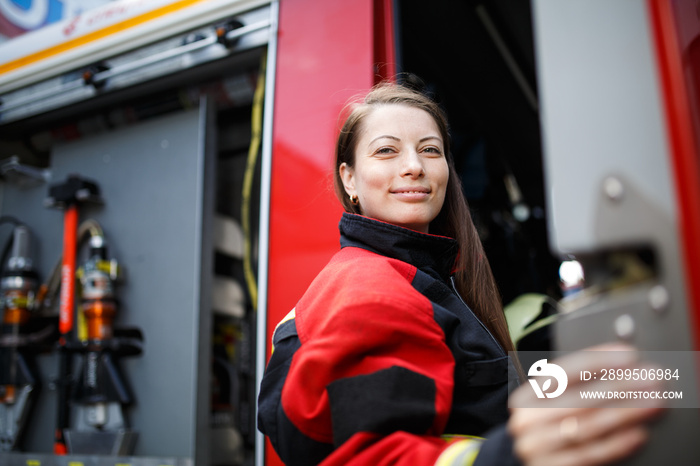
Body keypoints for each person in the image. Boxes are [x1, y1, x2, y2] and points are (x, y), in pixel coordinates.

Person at [257, 80, 664, 465]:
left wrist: (667, 377)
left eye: (431, 150)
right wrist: (507, 457)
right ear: (349, 179)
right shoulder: (372, 288)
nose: (414, 166)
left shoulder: (426, 275)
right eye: (386, 151)